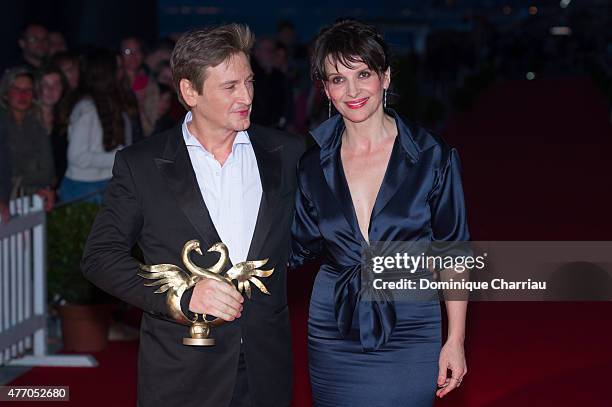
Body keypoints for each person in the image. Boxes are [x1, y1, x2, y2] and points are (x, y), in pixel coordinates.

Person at [82, 24, 304, 407]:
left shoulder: (287, 153)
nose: (247, 96)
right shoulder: (142, 165)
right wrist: (181, 297)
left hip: (266, 372)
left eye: (249, 82)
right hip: (181, 374)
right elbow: (100, 256)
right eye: (230, 86)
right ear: (189, 91)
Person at [290, 20, 469, 406]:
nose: (352, 91)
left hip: (411, 321)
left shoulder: (431, 156)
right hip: (332, 323)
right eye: (337, 79)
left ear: (385, 78)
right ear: (325, 89)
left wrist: (455, 339)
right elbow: (295, 247)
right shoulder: (311, 166)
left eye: (363, 74)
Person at [58, 49, 131, 203]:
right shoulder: (86, 109)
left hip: (104, 182)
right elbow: (77, 156)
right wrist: (117, 157)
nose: (121, 73)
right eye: (116, 69)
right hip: (83, 187)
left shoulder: (110, 102)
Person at [0, 67, 55, 207]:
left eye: (28, 90)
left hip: (32, 200)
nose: (23, 95)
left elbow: (47, 173)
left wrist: (18, 179)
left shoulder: (37, 124)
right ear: (6, 93)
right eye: (16, 89)